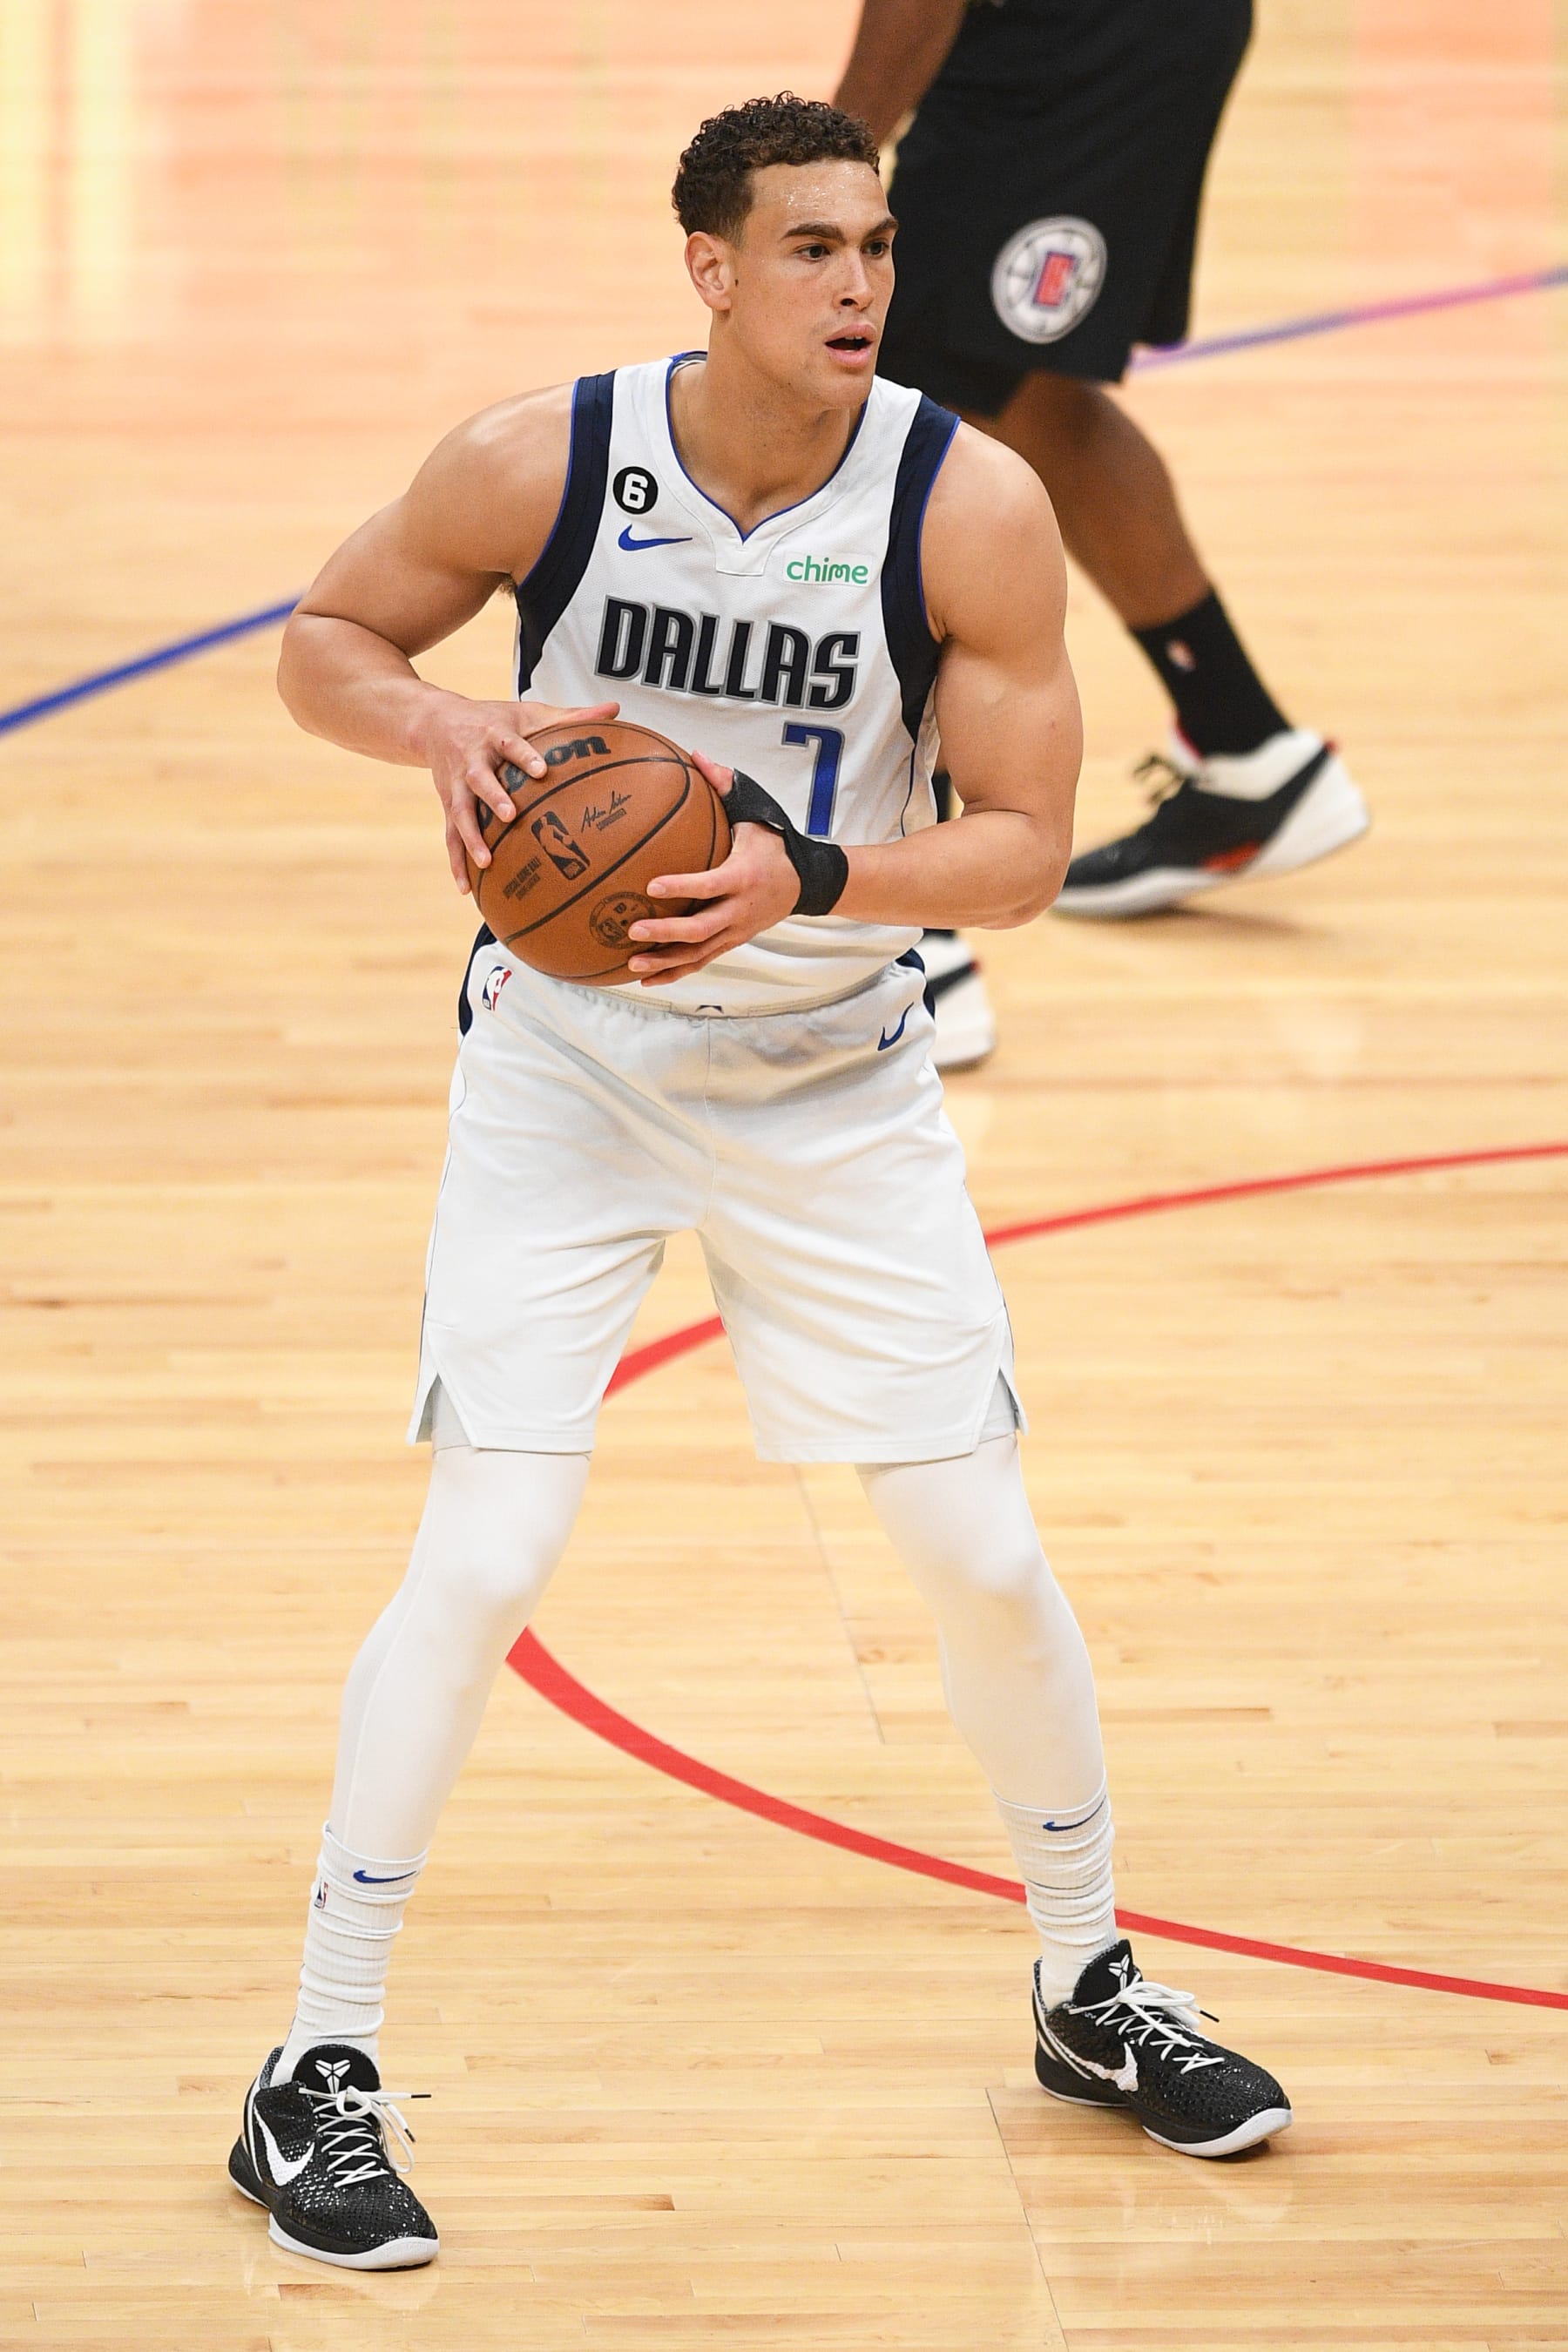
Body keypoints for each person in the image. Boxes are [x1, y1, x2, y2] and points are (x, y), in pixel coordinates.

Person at [230, 95, 1291, 2274]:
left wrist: (811, 871)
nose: (860, 287)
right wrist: (434, 730)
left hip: (833, 1078)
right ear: (707, 268)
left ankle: (1087, 1984)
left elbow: (1019, 847)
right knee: (493, 1534)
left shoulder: (968, 502)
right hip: (569, 1071)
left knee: (978, 1550)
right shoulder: (539, 459)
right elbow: (326, 641)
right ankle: (312, 2065)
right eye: (811, 248)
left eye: (880, 247)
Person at [835, 0, 1369, 1066]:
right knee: (1027, 394)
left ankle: (916, 946)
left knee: (899, 397)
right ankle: (1244, 744)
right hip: (1113, 31)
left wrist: (826, 161)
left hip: (1085, 37)